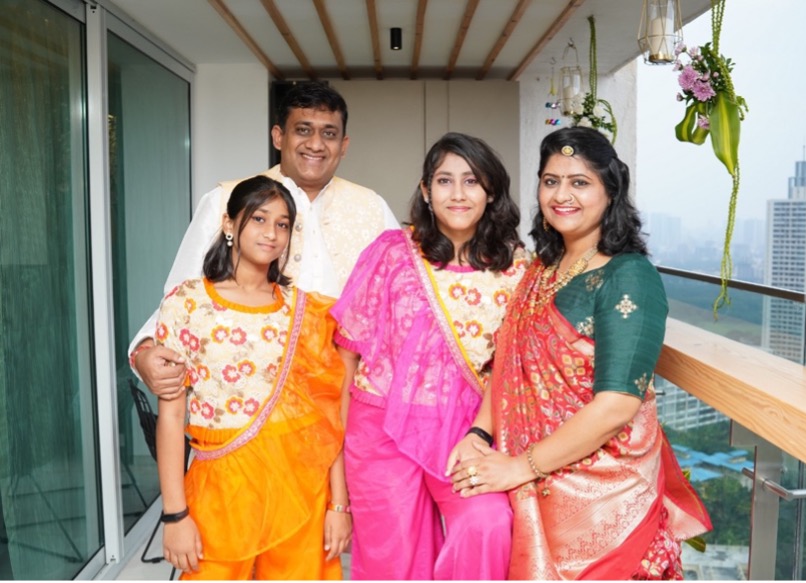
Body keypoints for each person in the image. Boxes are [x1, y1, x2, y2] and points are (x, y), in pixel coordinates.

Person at [446, 127, 712, 580]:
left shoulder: (628, 276)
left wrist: (519, 467)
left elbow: (617, 405)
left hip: (605, 502)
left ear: (611, 191)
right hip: (535, 482)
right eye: (551, 181)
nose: (561, 195)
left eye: (580, 182)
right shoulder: (543, 268)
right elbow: (508, 365)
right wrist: (478, 431)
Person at [330, 133, 529, 580]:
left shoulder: (516, 268)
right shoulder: (391, 252)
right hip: (379, 427)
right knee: (393, 560)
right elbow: (345, 361)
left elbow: (511, 366)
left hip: (466, 431)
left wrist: (483, 431)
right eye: (444, 180)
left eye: (471, 181)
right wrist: (335, 483)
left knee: (487, 524)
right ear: (425, 190)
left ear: (491, 191)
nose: (457, 193)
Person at [130, 80, 398, 397]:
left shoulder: (373, 208)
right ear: (278, 136)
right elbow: (180, 297)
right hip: (246, 396)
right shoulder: (227, 200)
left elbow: (403, 305)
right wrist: (144, 351)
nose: (316, 144)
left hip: (346, 399)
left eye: (329, 133)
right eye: (303, 130)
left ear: (344, 144)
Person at [154, 176, 350, 579]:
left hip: (298, 483)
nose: (272, 233)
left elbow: (325, 419)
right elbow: (171, 416)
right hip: (221, 483)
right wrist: (174, 515)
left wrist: (338, 505)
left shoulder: (305, 312)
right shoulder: (188, 304)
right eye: (259, 219)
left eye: (282, 224)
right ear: (230, 223)